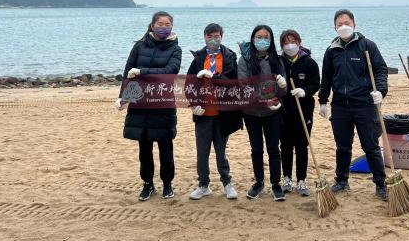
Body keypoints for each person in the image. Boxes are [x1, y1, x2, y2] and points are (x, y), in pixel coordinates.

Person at [318, 9, 390, 200]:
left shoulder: (367, 46)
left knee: (370, 146)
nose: (344, 26)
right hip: (340, 105)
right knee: (343, 146)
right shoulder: (331, 50)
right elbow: (326, 77)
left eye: (347, 23)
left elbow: (380, 70)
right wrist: (323, 101)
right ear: (334, 27)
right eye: (339, 24)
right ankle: (342, 180)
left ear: (354, 24)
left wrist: (381, 91)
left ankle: (380, 184)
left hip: (365, 104)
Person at [116, 11, 182, 201]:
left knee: (165, 146)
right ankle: (148, 184)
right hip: (141, 103)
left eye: (167, 24)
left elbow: (170, 71)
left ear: (172, 27)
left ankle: (167, 184)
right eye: (160, 24)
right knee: (144, 148)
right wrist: (122, 97)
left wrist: (142, 71)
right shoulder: (139, 46)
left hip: (163, 103)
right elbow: (128, 71)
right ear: (152, 26)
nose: (163, 27)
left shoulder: (175, 49)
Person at [185, 23, 242, 200]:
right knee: (202, 152)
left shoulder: (229, 56)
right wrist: (194, 104)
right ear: (204, 37)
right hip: (203, 114)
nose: (213, 40)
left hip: (223, 113)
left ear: (221, 37)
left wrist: (214, 77)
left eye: (216, 36)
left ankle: (227, 183)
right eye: (209, 36)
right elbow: (188, 85)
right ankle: (203, 185)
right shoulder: (198, 58)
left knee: (220, 151)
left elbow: (234, 82)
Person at [237, 25, 288, 201]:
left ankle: (276, 183)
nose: (262, 40)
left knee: (273, 149)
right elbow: (244, 86)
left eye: (266, 37)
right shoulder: (244, 60)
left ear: (271, 40)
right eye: (259, 37)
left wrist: (282, 86)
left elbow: (282, 91)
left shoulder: (278, 60)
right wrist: (263, 99)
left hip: (272, 113)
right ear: (253, 39)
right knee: (256, 149)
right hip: (251, 112)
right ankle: (259, 182)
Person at [279, 29, 320, 196]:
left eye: (293, 41)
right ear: (282, 45)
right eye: (286, 42)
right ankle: (287, 178)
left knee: (302, 146)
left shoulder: (308, 62)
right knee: (285, 146)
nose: (290, 45)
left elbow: (315, 83)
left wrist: (305, 91)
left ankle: (301, 180)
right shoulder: (279, 62)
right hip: (284, 112)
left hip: (304, 111)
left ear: (299, 42)